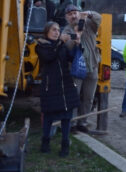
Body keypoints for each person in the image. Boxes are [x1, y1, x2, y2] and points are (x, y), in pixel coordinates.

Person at [36, 21, 80, 157]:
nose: (56, 32)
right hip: (51, 87)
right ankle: (45, 144)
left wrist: (78, 46)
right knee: (49, 118)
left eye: (58, 30)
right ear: (46, 32)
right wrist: (61, 42)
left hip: (66, 85)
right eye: (53, 30)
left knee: (66, 118)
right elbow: (49, 57)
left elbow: (71, 58)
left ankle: (65, 146)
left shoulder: (61, 46)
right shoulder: (41, 46)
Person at [61, 4, 101, 132]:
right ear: (66, 17)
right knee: (74, 96)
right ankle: (72, 123)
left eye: (75, 13)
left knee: (88, 97)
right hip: (76, 69)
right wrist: (75, 37)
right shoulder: (66, 30)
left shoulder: (90, 24)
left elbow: (99, 18)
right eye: (70, 14)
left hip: (92, 66)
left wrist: (89, 13)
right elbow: (68, 45)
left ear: (79, 13)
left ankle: (82, 122)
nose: (73, 15)